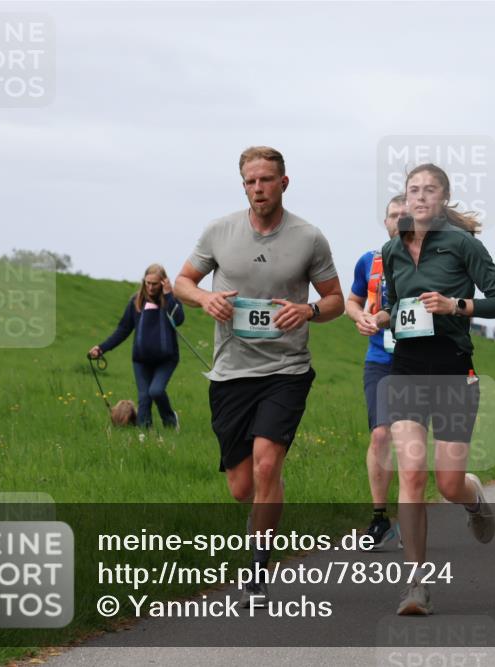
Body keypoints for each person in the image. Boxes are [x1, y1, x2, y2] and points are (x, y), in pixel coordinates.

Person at [173, 146, 345, 607]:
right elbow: (181, 282)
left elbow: (335, 300)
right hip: (231, 371)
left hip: (286, 369)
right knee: (241, 488)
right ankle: (262, 514)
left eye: (266, 180)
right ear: (243, 185)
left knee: (268, 464)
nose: (258, 189)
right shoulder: (219, 231)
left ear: (283, 183)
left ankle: (257, 571)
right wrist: (204, 299)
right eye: (250, 181)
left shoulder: (309, 238)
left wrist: (308, 311)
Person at [373, 163, 495, 615]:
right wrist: (379, 318)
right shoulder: (391, 249)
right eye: (413, 189)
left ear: (443, 198)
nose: (419, 197)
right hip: (406, 369)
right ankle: (415, 585)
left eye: (429, 190)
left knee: (448, 482)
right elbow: (393, 304)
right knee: (412, 475)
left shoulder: (463, 244)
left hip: (453, 369)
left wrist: (456, 305)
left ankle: (472, 497)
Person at [346, 194, 406, 550]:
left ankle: (411, 517)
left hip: (417, 362)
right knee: (381, 436)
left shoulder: (428, 261)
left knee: (409, 441)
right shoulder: (369, 261)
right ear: (385, 222)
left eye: (405, 215)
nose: (399, 220)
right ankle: (380, 518)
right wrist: (360, 318)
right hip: (380, 360)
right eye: (393, 215)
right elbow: (353, 300)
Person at [89, 264, 183, 430]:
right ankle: (144, 435)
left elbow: (179, 320)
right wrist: (101, 348)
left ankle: (171, 422)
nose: (150, 287)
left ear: (163, 282)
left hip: (166, 359)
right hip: (141, 359)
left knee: (156, 391)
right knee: (144, 398)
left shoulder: (170, 300)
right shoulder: (136, 301)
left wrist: (169, 295)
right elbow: (123, 329)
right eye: (148, 283)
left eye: (155, 284)